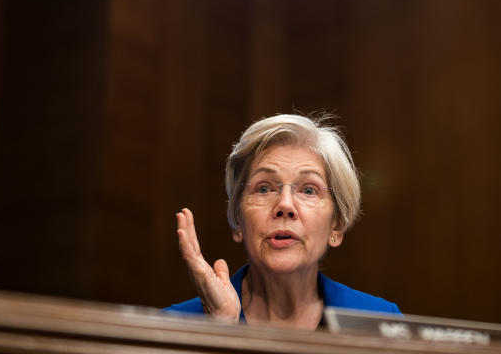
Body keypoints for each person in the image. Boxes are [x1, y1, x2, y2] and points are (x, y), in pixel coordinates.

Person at [164, 114, 400, 329]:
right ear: (237, 220)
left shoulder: (381, 323)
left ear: (336, 226)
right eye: (264, 188)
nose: (285, 205)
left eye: (308, 190)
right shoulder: (172, 327)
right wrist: (222, 332)